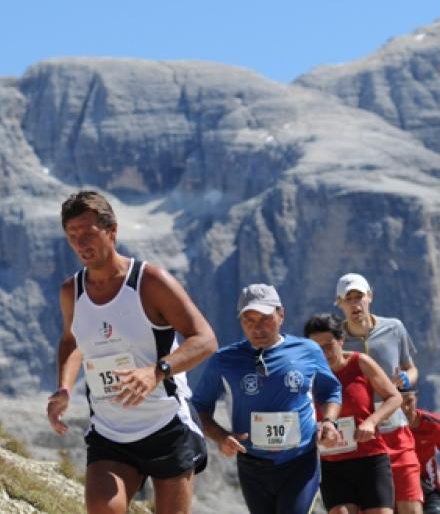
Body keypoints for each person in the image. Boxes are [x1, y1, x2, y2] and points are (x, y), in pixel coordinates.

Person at [46, 190, 217, 514]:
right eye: (73, 236)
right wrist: (64, 388)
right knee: (103, 508)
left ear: (112, 231)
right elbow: (71, 341)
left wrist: (156, 372)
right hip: (109, 431)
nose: (81, 242)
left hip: (166, 425)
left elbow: (206, 339)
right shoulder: (72, 291)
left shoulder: (149, 281)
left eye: (88, 232)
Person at [191, 284, 343, 514]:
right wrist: (221, 437)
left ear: (281, 314)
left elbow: (331, 391)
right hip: (252, 466)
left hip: (300, 462)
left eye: (265, 319)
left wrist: (329, 422)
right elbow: (199, 407)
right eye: (248, 320)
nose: (257, 328)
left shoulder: (308, 350)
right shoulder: (224, 360)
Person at [336, 273, 423, 514]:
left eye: (359, 297)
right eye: (348, 298)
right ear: (339, 303)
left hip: (395, 427)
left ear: (370, 297)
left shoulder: (394, 328)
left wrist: (407, 379)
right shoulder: (336, 339)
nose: (355, 304)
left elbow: (411, 368)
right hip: (359, 433)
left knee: (411, 506)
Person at [305, 313, 402, 514]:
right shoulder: (306, 375)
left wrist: (371, 421)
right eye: (316, 348)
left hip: (370, 458)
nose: (324, 353)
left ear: (341, 340)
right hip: (332, 464)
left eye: (329, 346)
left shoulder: (360, 363)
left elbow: (394, 397)